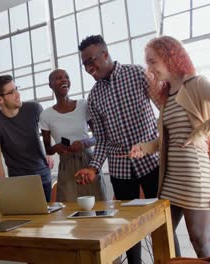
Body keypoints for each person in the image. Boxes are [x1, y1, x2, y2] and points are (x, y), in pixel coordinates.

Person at [128, 35, 210, 258]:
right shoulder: (167, 94)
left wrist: (201, 131)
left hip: (194, 176)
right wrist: (145, 147)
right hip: (171, 178)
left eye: (153, 61)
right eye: (148, 62)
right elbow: (166, 140)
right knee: (161, 233)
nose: (149, 68)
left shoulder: (196, 84)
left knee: (200, 241)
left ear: (169, 57)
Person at [74, 35, 160, 264]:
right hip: (121, 171)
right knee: (128, 232)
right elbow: (101, 139)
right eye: (85, 65)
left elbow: (164, 110)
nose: (90, 68)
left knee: (162, 227)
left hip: (153, 163)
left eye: (92, 61)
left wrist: (163, 142)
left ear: (105, 54)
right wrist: (93, 168)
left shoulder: (138, 74)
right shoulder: (94, 97)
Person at [39, 69, 107, 202]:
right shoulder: (46, 115)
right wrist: (56, 148)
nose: (64, 79)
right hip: (66, 166)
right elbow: (48, 150)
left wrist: (84, 143)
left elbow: (99, 136)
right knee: (69, 210)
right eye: (58, 78)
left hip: (89, 162)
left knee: (99, 206)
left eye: (66, 77)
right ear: (50, 85)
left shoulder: (83, 105)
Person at [0, 75, 52, 202]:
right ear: (0, 99)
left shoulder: (34, 109)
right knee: (25, 221)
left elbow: (48, 130)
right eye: (11, 92)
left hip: (43, 176)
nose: (18, 94)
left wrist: (49, 152)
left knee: (47, 220)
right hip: (18, 181)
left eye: (16, 89)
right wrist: (3, 188)